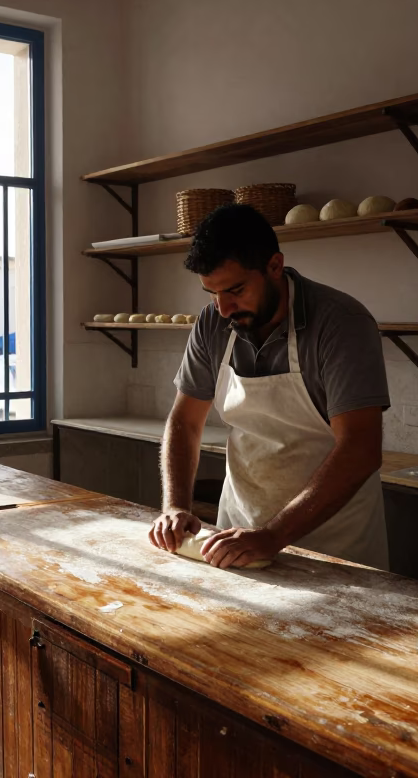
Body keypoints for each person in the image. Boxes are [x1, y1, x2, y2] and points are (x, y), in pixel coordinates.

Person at [148, 204, 391, 570]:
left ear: (275, 266)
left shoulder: (341, 324)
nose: (223, 308)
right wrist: (175, 506)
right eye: (211, 293)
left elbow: (360, 448)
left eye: (236, 290)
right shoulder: (213, 322)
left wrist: (274, 535)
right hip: (239, 532)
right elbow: (185, 422)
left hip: (334, 542)